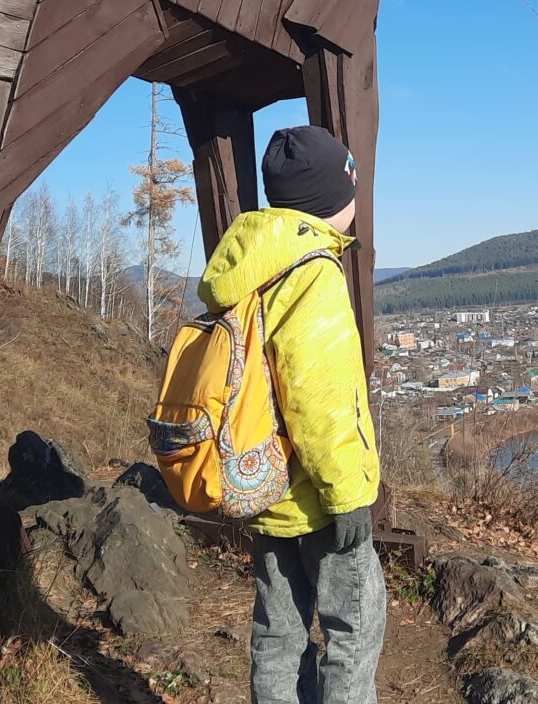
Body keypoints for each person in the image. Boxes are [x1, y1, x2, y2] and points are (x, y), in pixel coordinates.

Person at [197, 125, 385, 704]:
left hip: (262, 483)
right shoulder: (312, 272)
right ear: (333, 199)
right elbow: (319, 396)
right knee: (352, 635)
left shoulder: (250, 264)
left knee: (277, 636)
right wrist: (348, 493)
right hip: (318, 499)